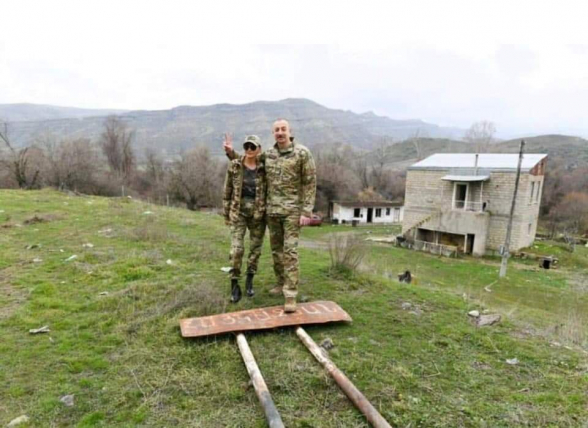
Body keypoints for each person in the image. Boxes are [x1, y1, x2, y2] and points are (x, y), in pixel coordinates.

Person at [224, 119, 316, 312]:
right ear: (273, 133)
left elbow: (309, 182)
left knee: (290, 252)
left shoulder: (302, 153)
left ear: (290, 132)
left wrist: (306, 211)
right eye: (277, 130)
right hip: (272, 212)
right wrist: (230, 152)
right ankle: (280, 283)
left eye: (283, 129)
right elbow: (249, 159)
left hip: (292, 212)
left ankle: (290, 295)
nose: (280, 133)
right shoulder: (269, 155)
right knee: (276, 252)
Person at [223, 135, 267, 303]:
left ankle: (250, 280)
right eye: (246, 146)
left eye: (253, 146)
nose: (249, 149)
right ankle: (234, 284)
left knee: (255, 250)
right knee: (236, 250)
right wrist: (226, 213)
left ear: (259, 149)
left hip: (258, 214)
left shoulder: (264, 168)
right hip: (238, 212)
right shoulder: (235, 166)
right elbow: (227, 191)